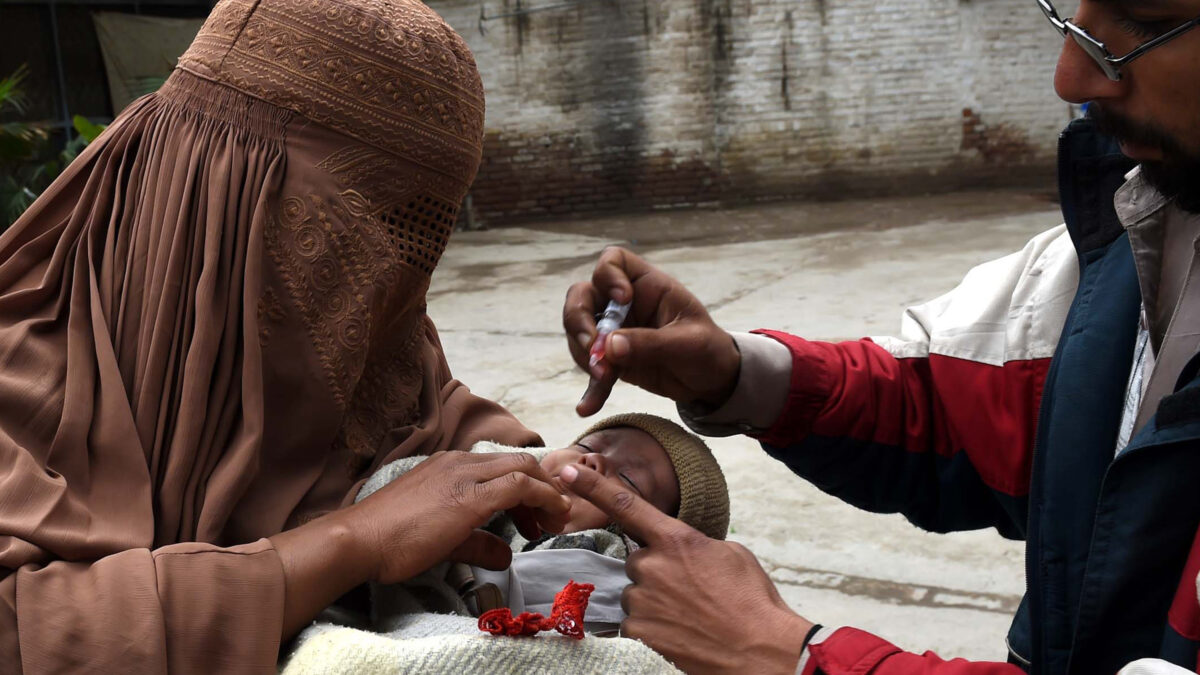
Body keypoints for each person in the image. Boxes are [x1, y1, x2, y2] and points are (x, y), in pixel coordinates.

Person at [559, 1, 1200, 674]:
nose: (1071, 76)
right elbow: (960, 400)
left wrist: (795, 657)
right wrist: (734, 373)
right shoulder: (1145, 216)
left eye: (1146, 25)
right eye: (1070, 16)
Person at [0, 0, 574, 672]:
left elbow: (453, 435)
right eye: (375, 221)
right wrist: (347, 544)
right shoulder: (22, 366)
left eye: (418, 235)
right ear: (217, 192)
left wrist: (608, 471)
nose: (391, 273)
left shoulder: (375, 340)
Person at [278, 413, 729, 675]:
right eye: (590, 445)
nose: (592, 461)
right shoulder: (498, 514)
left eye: (628, 479)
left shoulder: (610, 559)